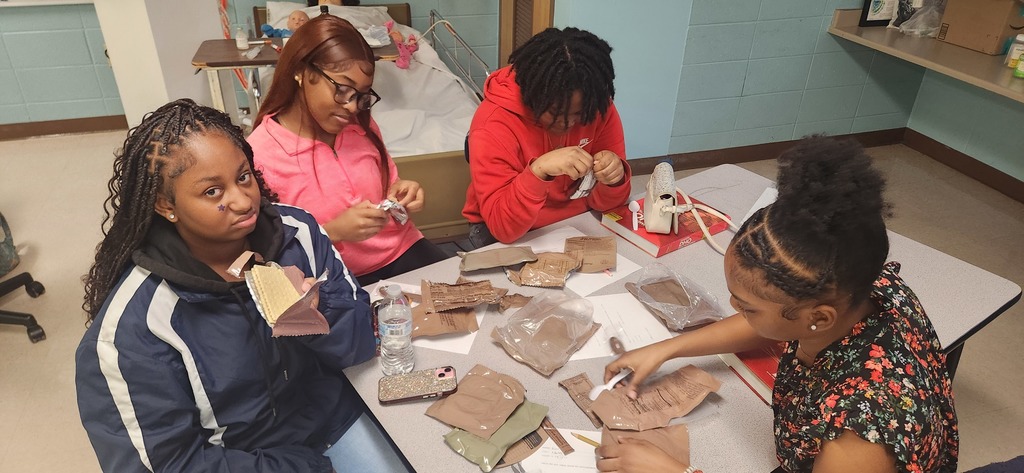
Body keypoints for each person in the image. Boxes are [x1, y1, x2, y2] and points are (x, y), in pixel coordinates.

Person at [76, 99, 407, 472]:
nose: (243, 201)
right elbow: (169, 463)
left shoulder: (297, 235)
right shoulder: (133, 333)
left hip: (330, 421)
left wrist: (315, 316)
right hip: (243, 459)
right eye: (212, 192)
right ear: (165, 205)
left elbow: (360, 344)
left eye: (244, 177)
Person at [599, 137, 958, 473]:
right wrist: (668, 349)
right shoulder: (855, 284)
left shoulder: (857, 439)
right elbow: (774, 321)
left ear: (817, 318)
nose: (734, 309)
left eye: (747, 307)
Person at [248, 14, 447, 286]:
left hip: (401, 251)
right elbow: (265, 251)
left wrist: (402, 190)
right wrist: (331, 232)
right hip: (330, 273)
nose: (353, 107)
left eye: (362, 95)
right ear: (301, 72)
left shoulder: (360, 127)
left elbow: (389, 184)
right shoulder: (261, 153)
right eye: (343, 89)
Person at [462, 27, 632, 247]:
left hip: (576, 221)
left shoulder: (599, 108)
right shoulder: (492, 124)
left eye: (580, 115)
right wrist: (539, 171)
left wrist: (614, 178)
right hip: (504, 227)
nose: (568, 123)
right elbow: (503, 227)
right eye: (554, 112)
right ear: (532, 97)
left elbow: (608, 204)